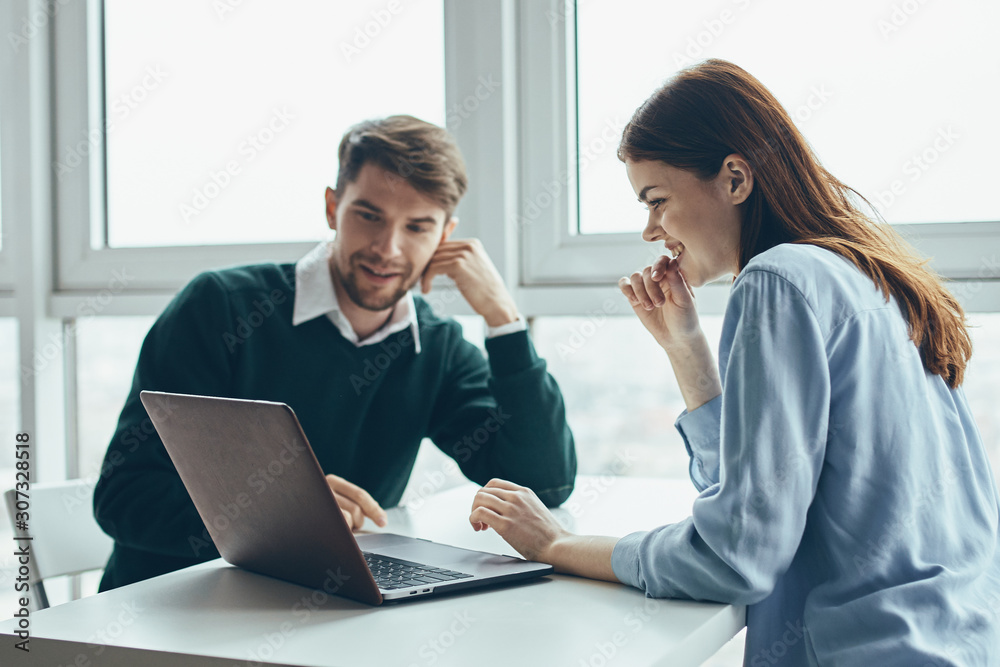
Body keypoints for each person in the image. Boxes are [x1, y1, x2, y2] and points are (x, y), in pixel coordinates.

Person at [469, 60, 1000, 665]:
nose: (650, 230)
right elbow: (766, 496)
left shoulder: (777, 280)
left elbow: (735, 556)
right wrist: (686, 350)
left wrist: (559, 542)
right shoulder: (866, 275)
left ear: (735, 178)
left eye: (657, 200)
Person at [93, 115, 576, 591]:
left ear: (444, 236)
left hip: (328, 616)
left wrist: (504, 319)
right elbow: (124, 497)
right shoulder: (220, 308)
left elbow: (544, 485)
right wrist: (280, 517)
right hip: (170, 613)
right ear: (332, 208)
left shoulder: (436, 347)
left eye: (417, 227)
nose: (388, 248)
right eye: (369, 216)